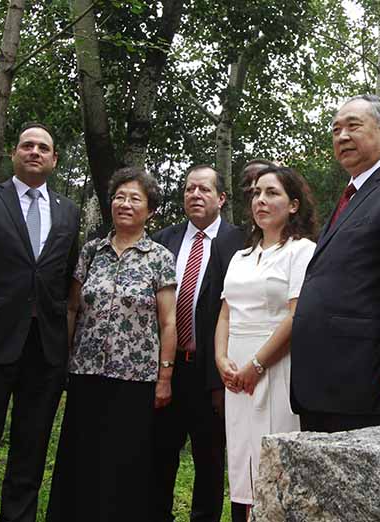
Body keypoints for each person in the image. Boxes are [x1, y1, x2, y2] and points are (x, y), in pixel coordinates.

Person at [0, 122, 80, 522]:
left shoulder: (68, 212)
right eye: (27, 145)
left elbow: (64, 282)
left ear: (54, 159)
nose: (35, 152)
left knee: (31, 449)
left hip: (44, 353)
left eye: (43, 147)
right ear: (14, 154)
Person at [290, 94, 380, 433]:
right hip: (325, 384)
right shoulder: (351, 196)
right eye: (335, 129)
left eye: (353, 126)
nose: (342, 136)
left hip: (364, 385)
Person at [46, 167, 177, 520]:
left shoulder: (160, 258)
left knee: (125, 462)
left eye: (135, 198)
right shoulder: (92, 252)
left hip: (135, 380)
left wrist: (165, 376)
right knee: (81, 456)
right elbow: (73, 308)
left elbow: (168, 322)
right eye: (119, 196)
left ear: (150, 210)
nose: (125, 203)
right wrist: (63, 363)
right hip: (86, 373)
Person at [215, 166, 317, 518]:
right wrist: (221, 360)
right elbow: (226, 314)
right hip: (235, 374)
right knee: (242, 463)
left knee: (273, 464)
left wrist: (256, 365)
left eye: (272, 193)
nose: (261, 200)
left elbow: (296, 316)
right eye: (256, 193)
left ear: (293, 205)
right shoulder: (240, 257)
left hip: (275, 367)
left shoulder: (301, 251)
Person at [152, 165, 245, 522]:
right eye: (190, 189)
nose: (195, 195)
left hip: (212, 373)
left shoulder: (239, 243)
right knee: (160, 454)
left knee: (209, 459)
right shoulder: (164, 240)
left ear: (221, 198)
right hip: (167, 369)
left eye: (204, 189)